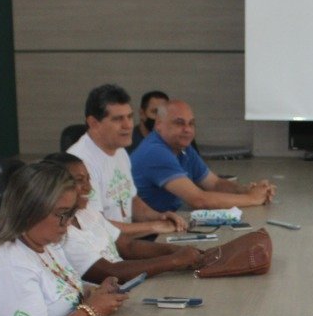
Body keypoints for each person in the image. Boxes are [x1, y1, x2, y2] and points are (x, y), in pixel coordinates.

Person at [0, 162, 128, 316]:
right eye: (62, 214)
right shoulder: (7, 263)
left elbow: (58, 292)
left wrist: (93, 292)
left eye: (71, 213)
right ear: (30, 210)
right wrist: (92, 310)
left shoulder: (47, 243)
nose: (68, 222)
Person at [42, 152, 206, 282]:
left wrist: (179, 251)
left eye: (88, 179)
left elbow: (128, 246)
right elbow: (111, 272)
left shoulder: (86, 212)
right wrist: (174, 261)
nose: (88, 188)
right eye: (79, 181)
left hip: (131, 283)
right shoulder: (59, 232)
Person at [67, 83, 186, 232]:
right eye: (118, 119)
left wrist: (160, 217)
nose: (128, 125)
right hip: (102, 245)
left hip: (125, 241)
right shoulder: (80, 163)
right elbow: (96, 227)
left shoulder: (119, 150)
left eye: (129, 117)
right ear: (93, 123)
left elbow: (132, 200)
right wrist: (153, 227)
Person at [131, 99, 276, 211]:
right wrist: (252, 199)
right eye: (179, 123)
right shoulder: (156, 152)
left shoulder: (182, 146)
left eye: (191, 124)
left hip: (170, 221)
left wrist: (245, 190)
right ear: (159, 125)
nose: (187, 129)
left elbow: (214, 183)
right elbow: (198, 200)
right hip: (150, 233)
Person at [127, 89, 169, 153]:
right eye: (155, 112)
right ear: (142, 114)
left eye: (163, 113)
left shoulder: (171, 141)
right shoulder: (127, 141)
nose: (159, 117)